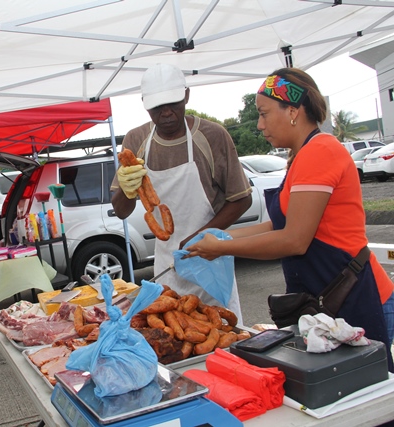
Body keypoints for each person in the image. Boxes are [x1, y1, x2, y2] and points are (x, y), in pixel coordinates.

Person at [185, 67, 394, 369]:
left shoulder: (320, 151)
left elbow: (294, 239)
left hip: (355, 297)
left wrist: (221, 248)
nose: (259, 125)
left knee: (366, 388)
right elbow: (277, 224)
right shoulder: (300, 156)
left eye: (264, 114)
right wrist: (218, 236)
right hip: (326, 299)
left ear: (293, 111)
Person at [111, 63, 252, 320]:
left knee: (222, 329)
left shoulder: (213, 136)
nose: (166, 113)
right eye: (157, 107)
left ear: (186, 96)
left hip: (211, 263)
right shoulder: (136, 141)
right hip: (167, 268)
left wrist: (201, 237)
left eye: (173, 103)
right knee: (170, 331)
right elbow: (121, 210)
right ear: (145, 105)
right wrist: (126, 189)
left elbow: (241, 199)